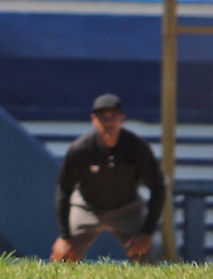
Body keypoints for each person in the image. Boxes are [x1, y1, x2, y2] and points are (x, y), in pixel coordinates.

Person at [51, 93, 164, 263]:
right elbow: (64, 189)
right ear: (94, 120)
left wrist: (147, 233)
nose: (109, 123)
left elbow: (158, 187)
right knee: (63, 256)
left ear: (122, 119)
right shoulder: (81, 149)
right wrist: (65, 237)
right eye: (103, 118)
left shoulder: (137, 147)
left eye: (114, 117)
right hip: (87, 207)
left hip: (127, 208)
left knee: (145, 257)